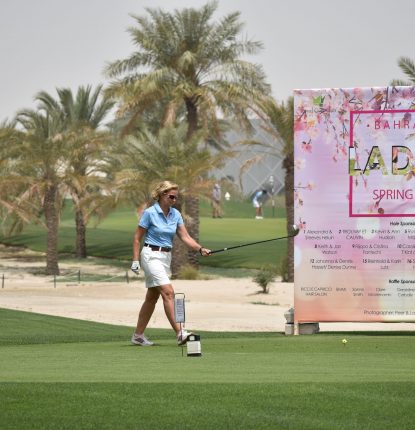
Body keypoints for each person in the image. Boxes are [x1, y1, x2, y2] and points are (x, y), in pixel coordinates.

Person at [130, 180, 211, 346]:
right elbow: (137, 238)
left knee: (152, 297)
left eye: (176, 198)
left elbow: (185, 237)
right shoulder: (150, 213)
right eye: (172, 197)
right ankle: (180, 333)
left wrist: (200, 249)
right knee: (168, 292)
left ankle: (138, 335)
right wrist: (135, 260)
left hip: (165, 257)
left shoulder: (175, 214)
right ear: (162, 195)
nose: (174, 200)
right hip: (150, 255)